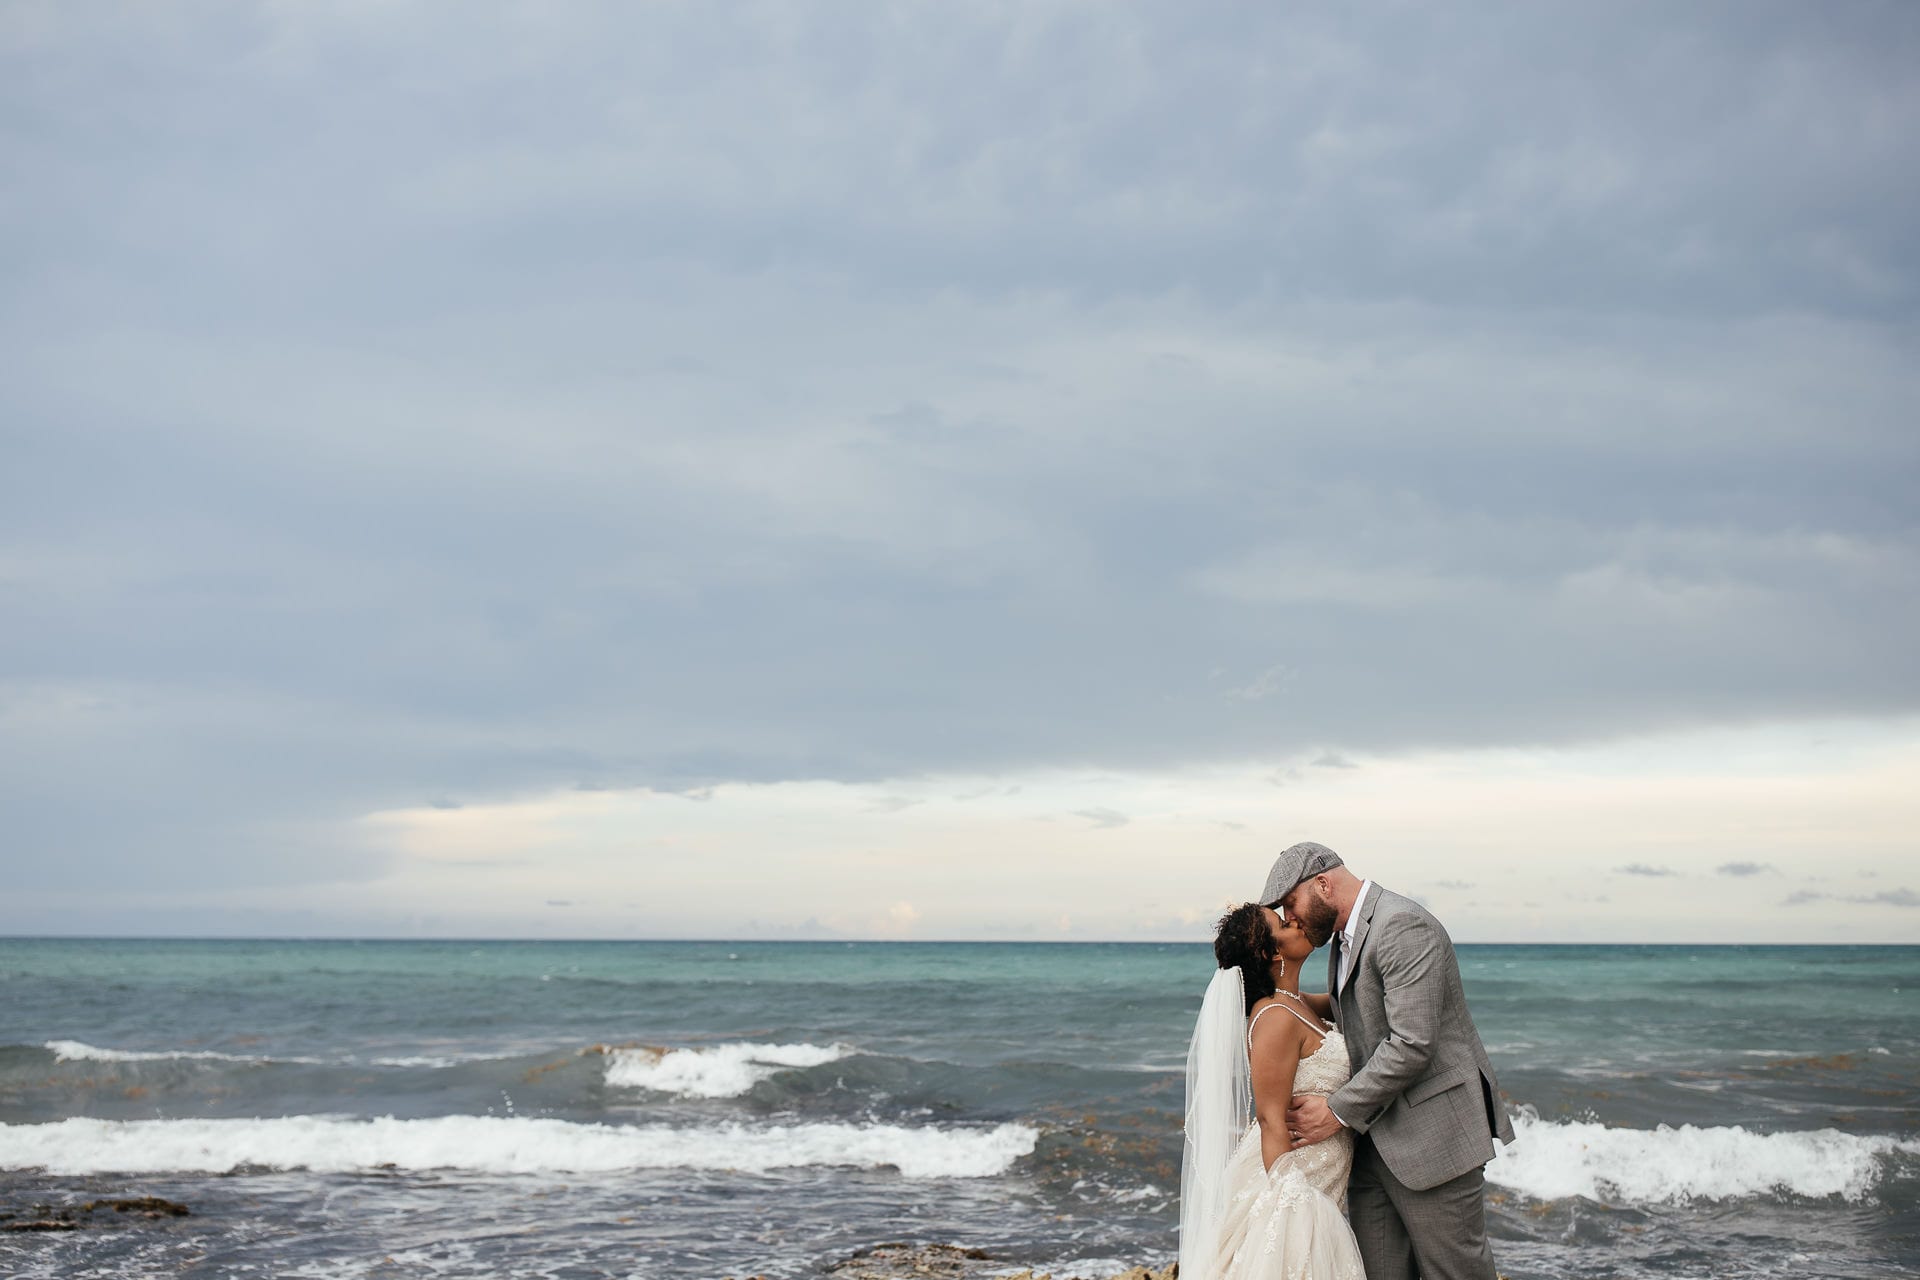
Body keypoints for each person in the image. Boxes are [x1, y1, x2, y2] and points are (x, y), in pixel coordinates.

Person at [1266, 842, 1515, 1280]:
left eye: (1290, 903)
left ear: (1322, 883)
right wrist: (1281, 1002)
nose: (1289, 919)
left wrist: (1336, 1111)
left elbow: (1412, 1043)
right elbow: (1357, 1010)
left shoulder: (1401, 925)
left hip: (1433, 1137)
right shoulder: (1345, 937)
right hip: (1374, 1141)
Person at [1179, 902, 1366, 1280]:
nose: (1295, 921)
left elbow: (1357, 1000)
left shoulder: (1298, 1004)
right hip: (1293, 1185)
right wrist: (1288, 1204)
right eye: (1283, 923)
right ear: (1270, 952)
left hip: (1319, 1178)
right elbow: (1269, 1118)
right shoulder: (1274, 1018)